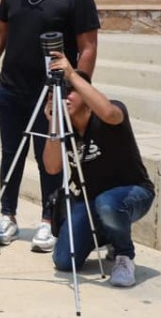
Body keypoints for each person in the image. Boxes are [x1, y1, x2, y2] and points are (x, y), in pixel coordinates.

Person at [0, 0, 99, 253]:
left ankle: (49, 220)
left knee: (50, 159)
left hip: (53, 94)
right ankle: (8, 215)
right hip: (11, 89)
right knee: (12, 155)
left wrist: (80, 89)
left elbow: (87, 47)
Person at [43, 54, 155, 287]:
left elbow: (110, 114)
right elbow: (52, 167)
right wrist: (53, 121)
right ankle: (108, 231)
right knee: (63, 260)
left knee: (107, 204)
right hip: (88, 200)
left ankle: (124, 255)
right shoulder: (64, 127)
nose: (65, 97)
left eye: (70, 91)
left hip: (132, 193)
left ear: (85, 93)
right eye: (60, 93)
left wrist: (71, 74)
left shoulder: (109, 112)